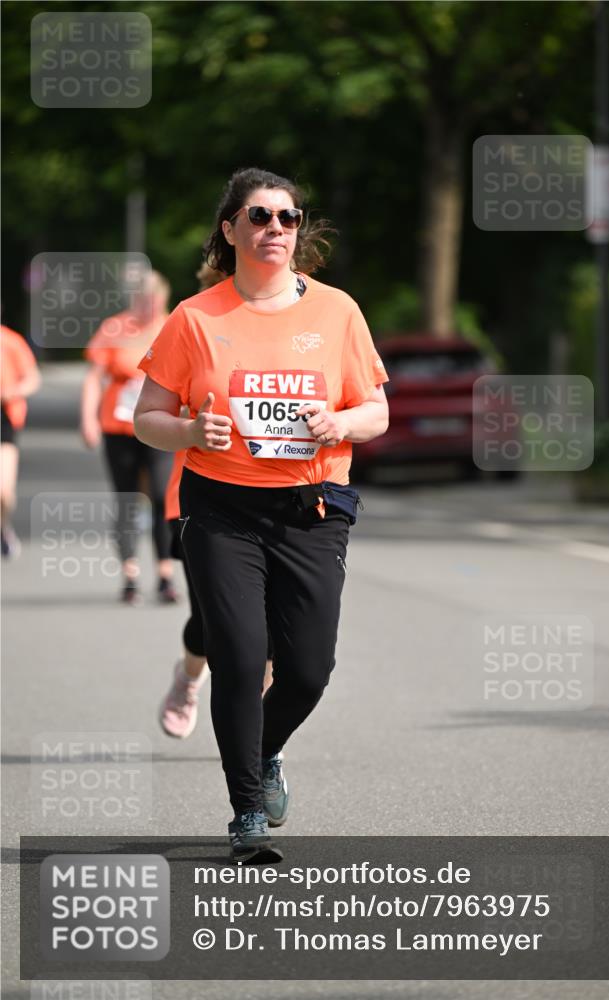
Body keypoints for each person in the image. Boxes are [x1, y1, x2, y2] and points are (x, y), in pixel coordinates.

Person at [134, 167, 389, 858]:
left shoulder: (336, 312)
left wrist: (337, 422)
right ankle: (246, 811)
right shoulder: (196, 317)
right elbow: (147, 417)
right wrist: (188, 433)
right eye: (259, 216)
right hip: (221, 507)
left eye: (288, 217)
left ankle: (265, 749)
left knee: (307, 670)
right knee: (241, 660)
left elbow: (376, 410)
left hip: (311, 507)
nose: (275, 228)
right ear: (229, 228)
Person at [158, 261, 273, 739]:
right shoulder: (191, 326)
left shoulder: (285, 332)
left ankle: (265, 735)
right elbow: (152, 411)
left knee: (270, 628)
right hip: (198, 499)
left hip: (275, 498)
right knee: (211, 623)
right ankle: (188, 679)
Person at [80, 270, 178, 605]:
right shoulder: (114, 328)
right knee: (126, 499)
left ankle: (165, 574)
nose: (149, 307)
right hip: (118, 427)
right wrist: (88, 419)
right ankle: (130, 574)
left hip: (161, 426)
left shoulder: (173, 326)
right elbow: (94, 378)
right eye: (143, 300)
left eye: (154, 301)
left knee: (164, 496)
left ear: (163, 299)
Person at [1, 324, 41, 557]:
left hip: (4, 416)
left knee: (3, 490)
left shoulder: (10, 341)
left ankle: (3, 527)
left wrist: (12, 392)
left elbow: (32, 379)